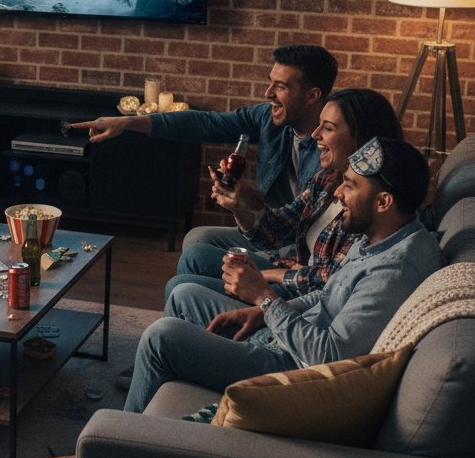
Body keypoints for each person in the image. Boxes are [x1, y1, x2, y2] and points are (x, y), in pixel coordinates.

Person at [124, 137, 442, 414]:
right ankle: (154, 387)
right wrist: (263, 312)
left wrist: (265, 297)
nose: (339, 194)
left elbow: (328, 356)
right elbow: (331, 293)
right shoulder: (382, 236)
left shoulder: (393, 271)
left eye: (351, 185)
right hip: (289, 335)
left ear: (384, 202)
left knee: (160, 338)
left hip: (291, 368)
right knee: (183, 296)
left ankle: (115, 447)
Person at [72, 43, 340, 251]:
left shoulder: (335, 147)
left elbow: (305, 223)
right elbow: (207, 123)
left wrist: (247, 201)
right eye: (270, 82)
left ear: (312, 95)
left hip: (294, 245)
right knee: (197, 239)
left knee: (193, 260)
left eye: (280, 86)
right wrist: (128, 122)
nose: (267, 93)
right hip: (263, 229)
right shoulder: (267, 118)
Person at [166, 88, 404, 303]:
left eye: (328, 128)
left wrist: (270, 275)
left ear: (361, 139)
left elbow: (333, 281)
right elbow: (279, 230)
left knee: (180, 287)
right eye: (319, 125)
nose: (315, 135)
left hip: (303, 294)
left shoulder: (369, 201)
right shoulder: (328, 178)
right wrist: (240, 205)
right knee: (195, 254)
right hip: (293, 272)